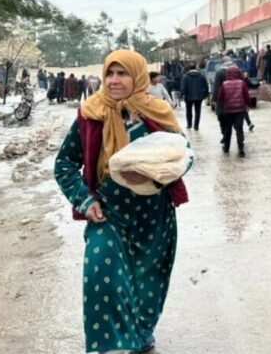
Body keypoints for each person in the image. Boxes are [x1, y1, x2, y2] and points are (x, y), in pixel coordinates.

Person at [54, 50, 190, 354]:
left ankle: (140, 334)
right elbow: (64, 164)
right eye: (110, 74)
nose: (114, 81)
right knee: (101, 280)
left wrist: (155, 174)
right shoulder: (91, 113)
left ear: (137, 77)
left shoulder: (157, 112)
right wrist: (85, 200)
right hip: (108, 214)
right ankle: (112, 347)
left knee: (148, 283)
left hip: (154, 216)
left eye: (122, 73)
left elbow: (184, 154)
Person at [217, 66, 250, 157]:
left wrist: (221, 106)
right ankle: (241, 149)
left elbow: (220, 98)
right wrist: (248, 104)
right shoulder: (242, 83)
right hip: (240, 110)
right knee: (239, 129)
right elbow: (246, 95)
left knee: (228, 129)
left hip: (228, 110)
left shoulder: (224, 84)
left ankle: (226, 148)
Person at [180, 65, 209, 131]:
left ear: (189, 69)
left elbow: (183, 87)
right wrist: (205, 95)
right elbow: (206, 86)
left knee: (188, 110)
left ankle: (189, 124)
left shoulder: (186, 76)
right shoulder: (201, 76)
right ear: (195, 68)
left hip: (188, 96)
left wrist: (182, 95)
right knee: (198, 111)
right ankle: (196, 126)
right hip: (199, 96)